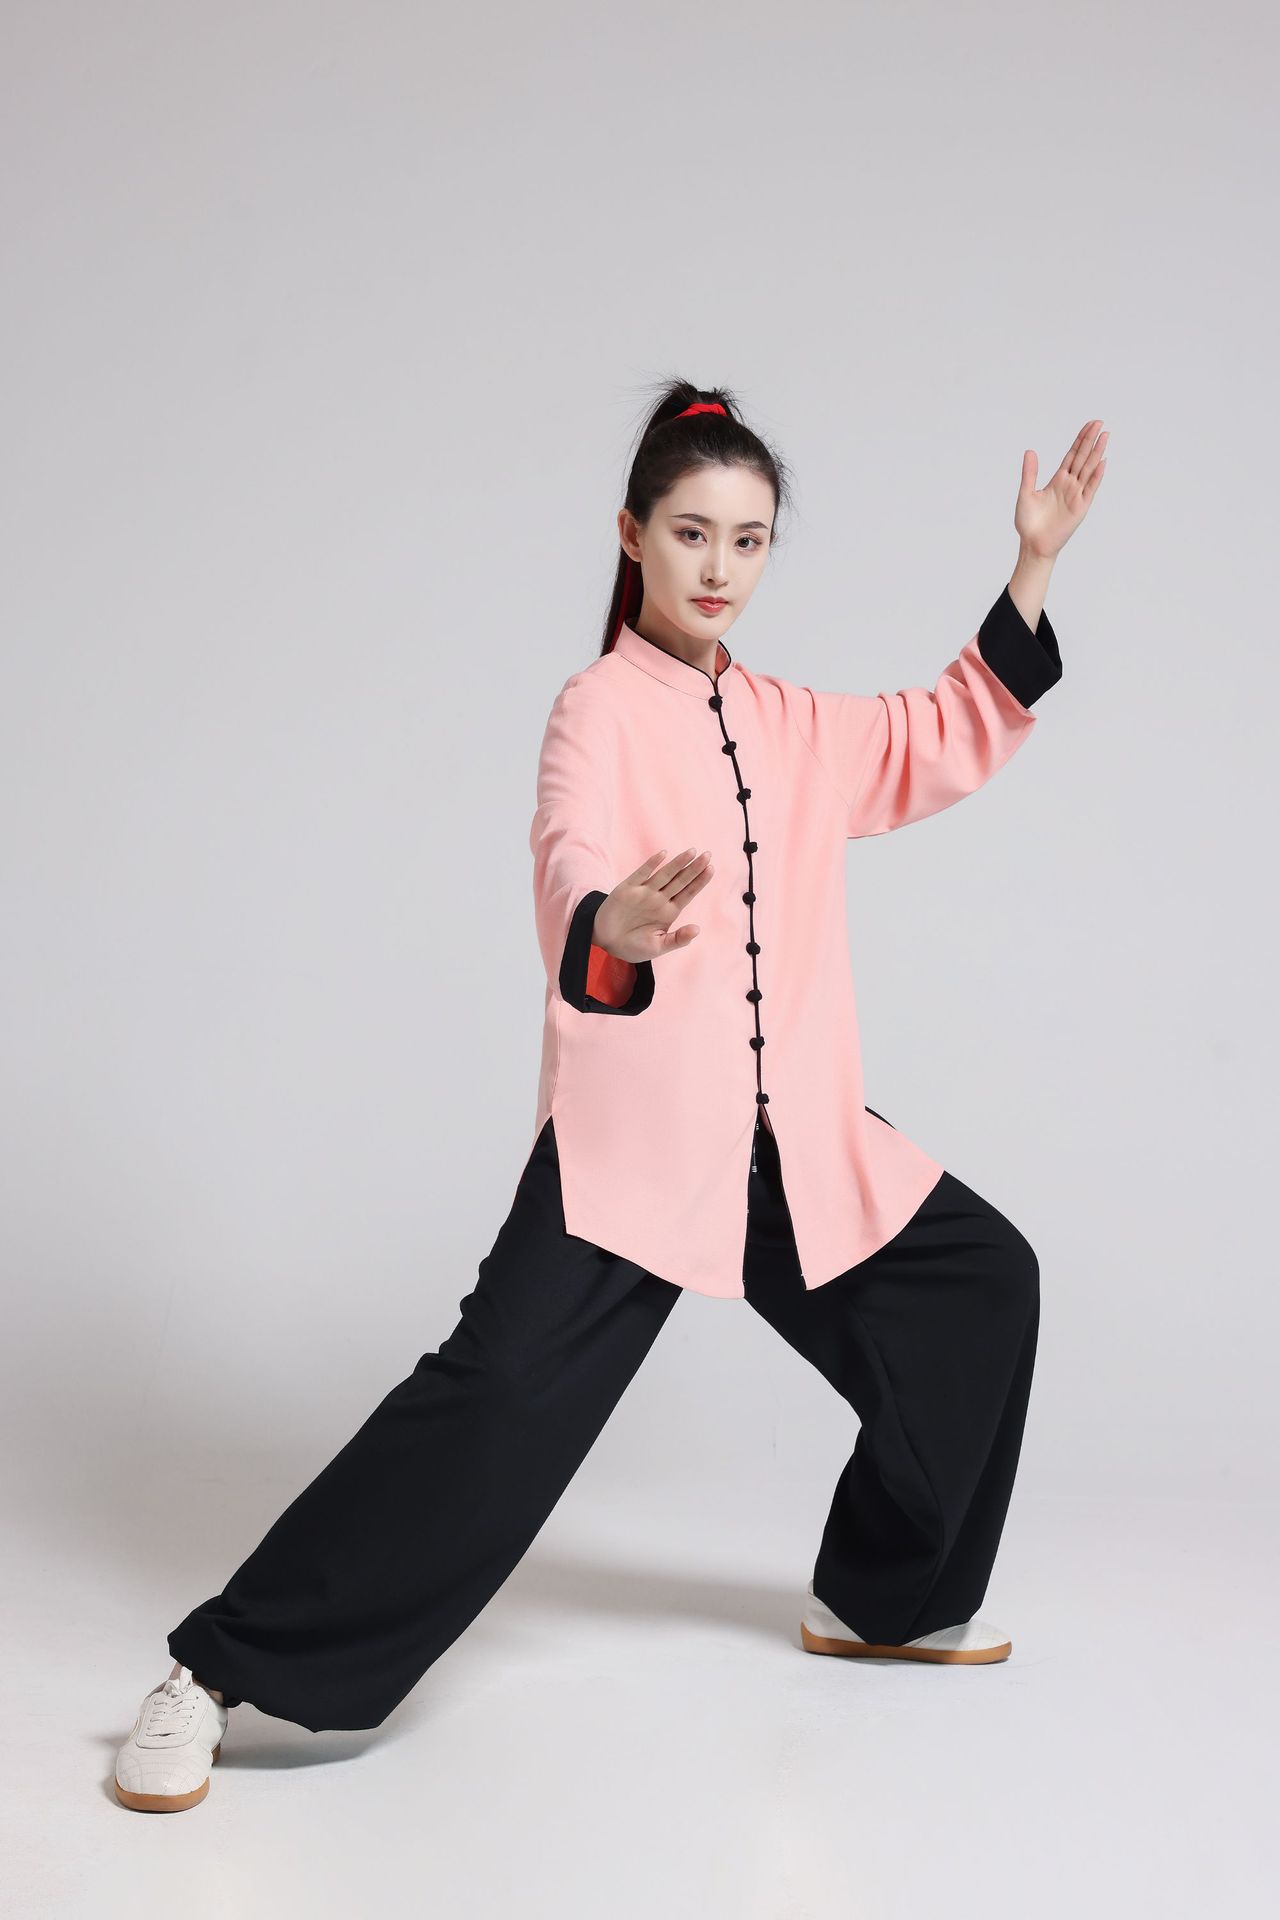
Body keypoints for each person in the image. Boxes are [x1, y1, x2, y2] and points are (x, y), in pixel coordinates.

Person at [113, 382, 1107, 1812]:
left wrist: (1034, 563)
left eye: (749, 541)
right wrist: (609, 928)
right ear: (632, 534)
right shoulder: (594, 708)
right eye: (693, 532)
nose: (720, 568)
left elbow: (938, 729)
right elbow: (565, 850)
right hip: (635, 1148)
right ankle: (212, 1674)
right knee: (494, 1403)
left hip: (796, 1143)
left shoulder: (793, 723)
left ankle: (883, 1599)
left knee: (981, 1285)